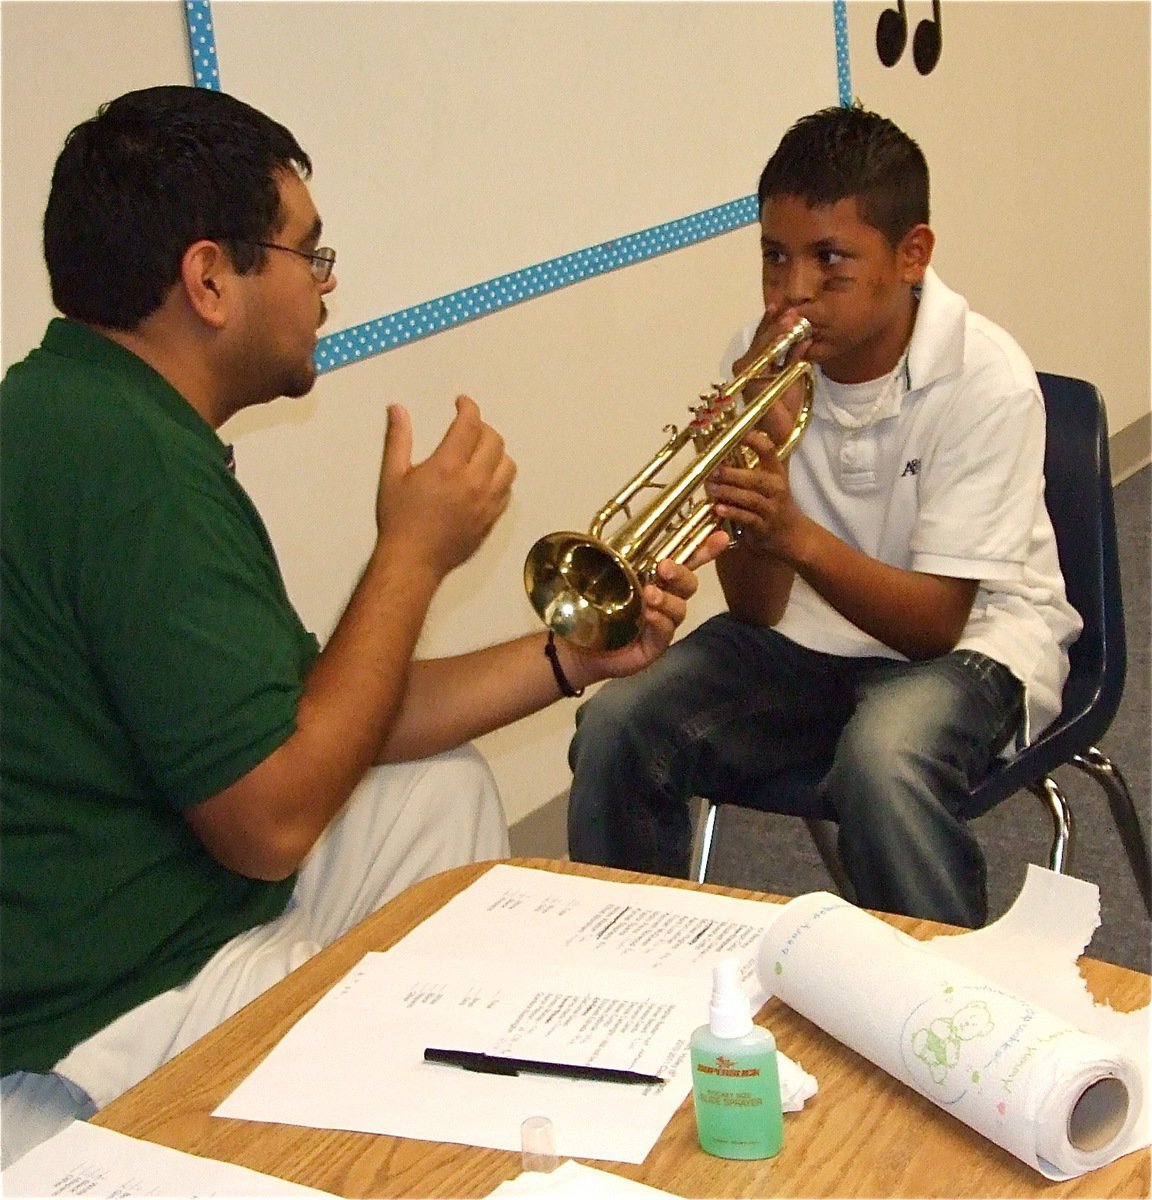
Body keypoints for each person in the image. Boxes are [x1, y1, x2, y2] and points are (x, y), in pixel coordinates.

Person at [0, 85, 726, 1167]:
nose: (326, 288)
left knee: (432, 791)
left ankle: (439, 1108)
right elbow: (271, 824)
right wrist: (412, 554)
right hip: (109, 1015)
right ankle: (424, 1141)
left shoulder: (80, 411)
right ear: (209, 279)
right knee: (426, 981)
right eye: (307, 254)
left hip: (142, 900)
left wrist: (572, 659)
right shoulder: (137, 473)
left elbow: (331, 708)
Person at [567, 105, 1081, 929]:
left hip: (975, 643)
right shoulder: (761, 354)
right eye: (774, 257)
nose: (793, 291)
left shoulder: (986, 378)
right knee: (617, 724)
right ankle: (638, 978)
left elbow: (934, 630)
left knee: (884, 761)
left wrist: (794, 532)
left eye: (829, 261)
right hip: (806, 638)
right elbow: (759, 609)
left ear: (912, 255)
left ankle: (945, 1017)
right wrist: (745, 468)